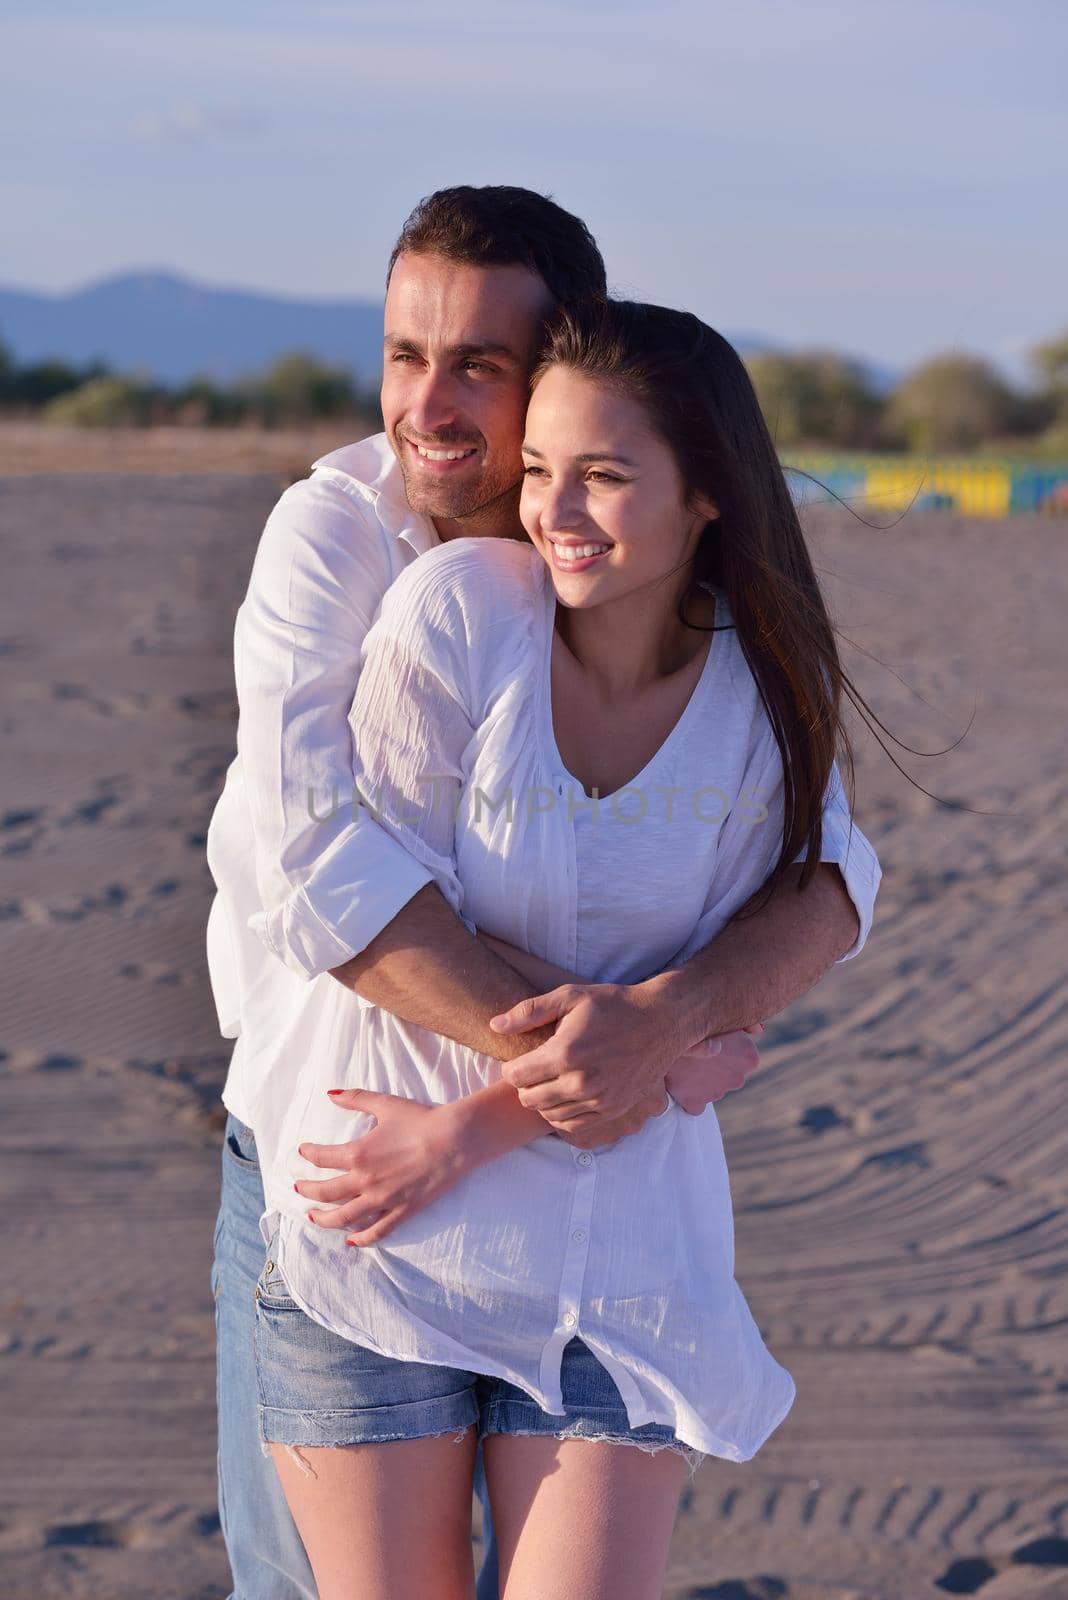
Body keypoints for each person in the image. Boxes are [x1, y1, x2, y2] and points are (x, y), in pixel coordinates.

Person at [207, 187, 872, 1600]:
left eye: (480, 368)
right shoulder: (343, 551)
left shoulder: (727, 662)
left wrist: (673, 1015)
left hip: (589, 1212)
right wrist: (632, 1051)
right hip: (336, 1148)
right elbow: (332, 884)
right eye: (404, 356)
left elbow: (826, 876)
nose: (431, 407)